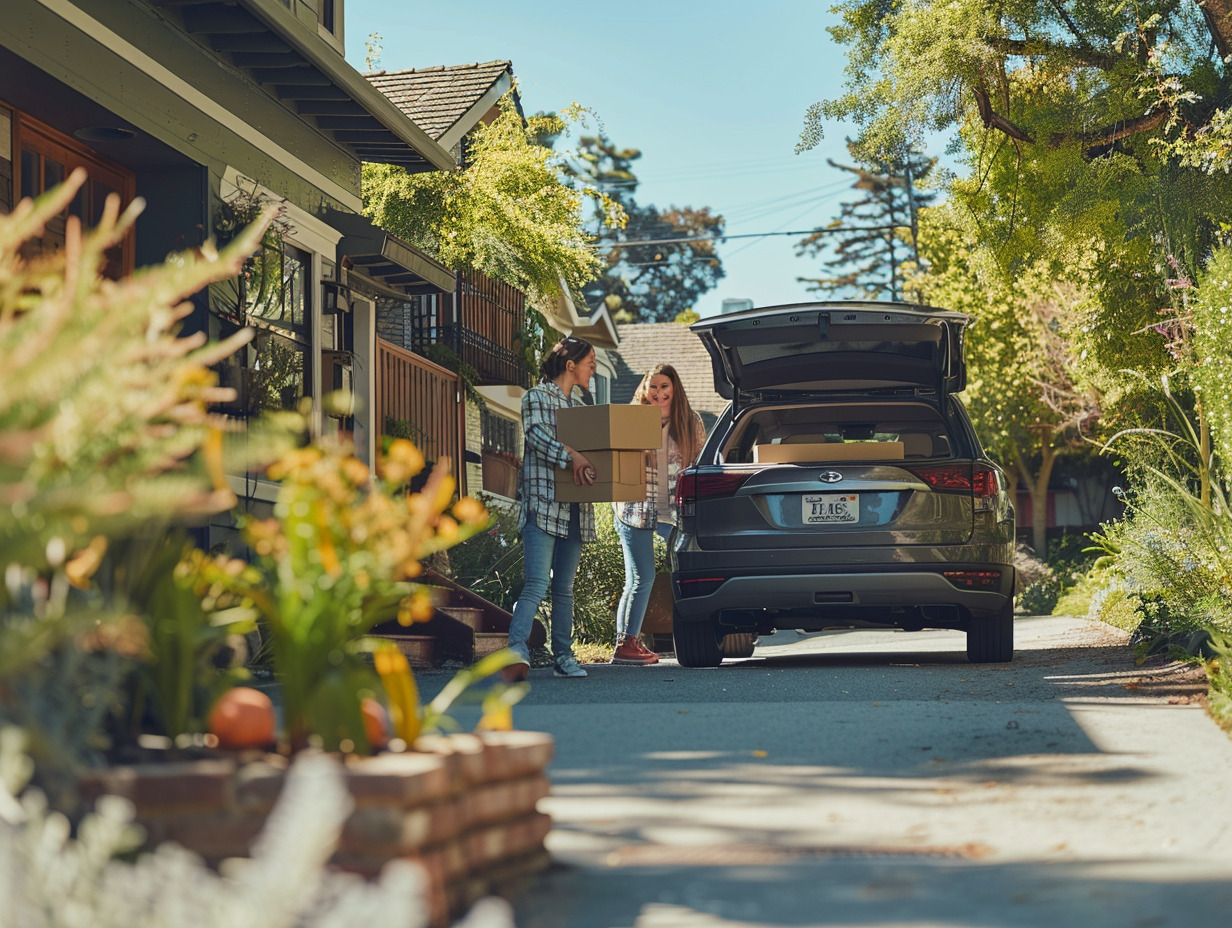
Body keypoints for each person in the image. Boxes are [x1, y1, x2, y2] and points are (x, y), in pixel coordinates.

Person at [503, 335, 598, 682]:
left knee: (564, 589)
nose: (594, 369)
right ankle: (516, 650)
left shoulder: (583, 411)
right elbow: (537, 436)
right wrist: (571, 456)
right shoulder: (536, 397)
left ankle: (564, 657)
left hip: (575, 510)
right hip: (542, 505)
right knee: (536, 583)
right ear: (570, 365)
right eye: (591, 363)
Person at [610, 364, 706, 665]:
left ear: (674, 389)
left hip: (674, 512)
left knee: (688, 571)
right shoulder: (633, 419)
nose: (659, 393)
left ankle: (697, 634)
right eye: (653, 387)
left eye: (664, 387)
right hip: (634, 507)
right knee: (640, 578)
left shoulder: (690, 422)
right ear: (645, 388)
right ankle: (626, 644)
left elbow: (700, 463)